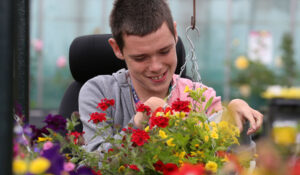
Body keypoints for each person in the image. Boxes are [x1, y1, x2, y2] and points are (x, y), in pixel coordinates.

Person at [79, 0, 263, 152]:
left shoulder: (200, 98)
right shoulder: (100, 92)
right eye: (141, 57)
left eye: (165, 51)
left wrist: (237, 120)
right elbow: (93, 164)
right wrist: (140, 121)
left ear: (175, 33)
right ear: (117, 49)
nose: (156, 66)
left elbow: (237, 170)